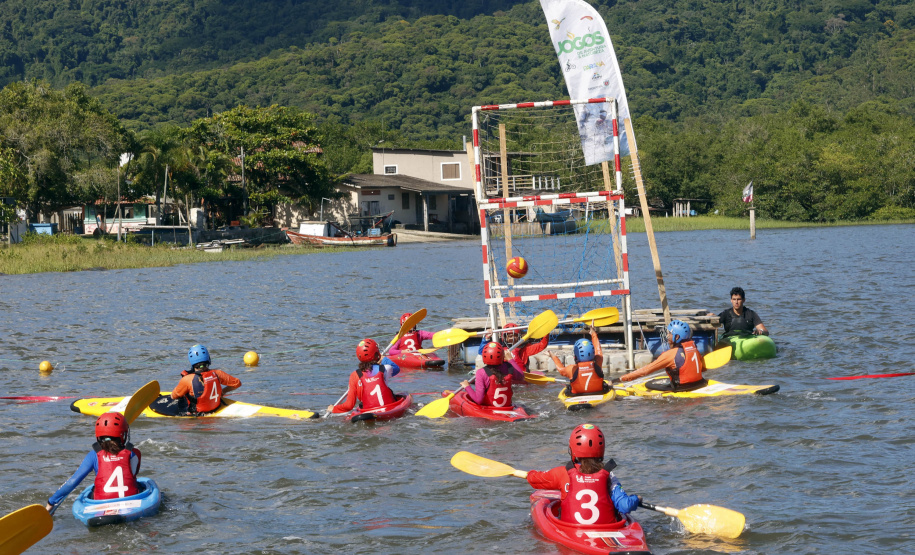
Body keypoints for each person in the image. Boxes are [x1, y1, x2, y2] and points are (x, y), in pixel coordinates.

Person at [525, 424, 640, 525]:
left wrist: (529, 474)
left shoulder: (563, 472)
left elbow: (536, 480)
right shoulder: (609, 475)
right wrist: (636, 499)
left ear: (573, 449)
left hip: (571, 529)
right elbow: (625, 506)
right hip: (606, 528)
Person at [46, 412, 142, 512]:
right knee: (140, 485)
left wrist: (51, 502)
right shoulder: (135, 453)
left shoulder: (93, 455)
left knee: (94, 489)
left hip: (101, 503)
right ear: (123, 434)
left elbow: (72, 482)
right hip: (130, 500)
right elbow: (133, 474)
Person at [153, 344, 241, 416]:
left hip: (198, 414)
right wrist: (223, 391)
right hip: (215, 407)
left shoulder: (187, 379)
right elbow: (237, 383)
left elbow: (173, 396)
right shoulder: (218, 373)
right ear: (208, 358)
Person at [620, 320, 707, 391]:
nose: (667, 336)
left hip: (682, 388)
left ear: (676, 337)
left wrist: (623, 378)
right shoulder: (694, 348)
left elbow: (646, 370)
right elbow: (702, 368)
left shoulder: (670, 355)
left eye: (669, 333)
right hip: (699, 383)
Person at [327, 338, 402, 414]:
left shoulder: (354, 375)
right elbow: (396, 369)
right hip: (388, 408)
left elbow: (349, 406)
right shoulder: (385, 368)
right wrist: (383, 358)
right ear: (377, 354)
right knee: (406, 396)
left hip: (367, 411)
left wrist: (334, 409)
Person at [547, 325, 610, 397]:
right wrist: (593, 333)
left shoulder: (571, 369)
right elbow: (598, 350)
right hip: (599, 393)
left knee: (568, 388)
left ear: (576, 356)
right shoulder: (598, 362)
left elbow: (561, 370)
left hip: (576, 396)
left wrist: (553, 356)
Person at [461, 342, 525, 407]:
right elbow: (521, 376)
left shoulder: (481, 372)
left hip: (490, 409)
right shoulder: (509, 368)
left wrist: (467, 386)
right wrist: (510, 359)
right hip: (507, 407)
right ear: (502, 356)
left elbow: (478, 400)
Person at [479, 322, 549, 371]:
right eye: (510, 336)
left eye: (515, 336)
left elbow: (542, 345)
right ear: (504, 338)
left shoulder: (524, 348)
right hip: (504, 376)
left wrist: (546, 332)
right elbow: (481, 352)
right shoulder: (499, 348)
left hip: (521, 376)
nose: (513, 338)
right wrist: (486, 338)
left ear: (519, 337)